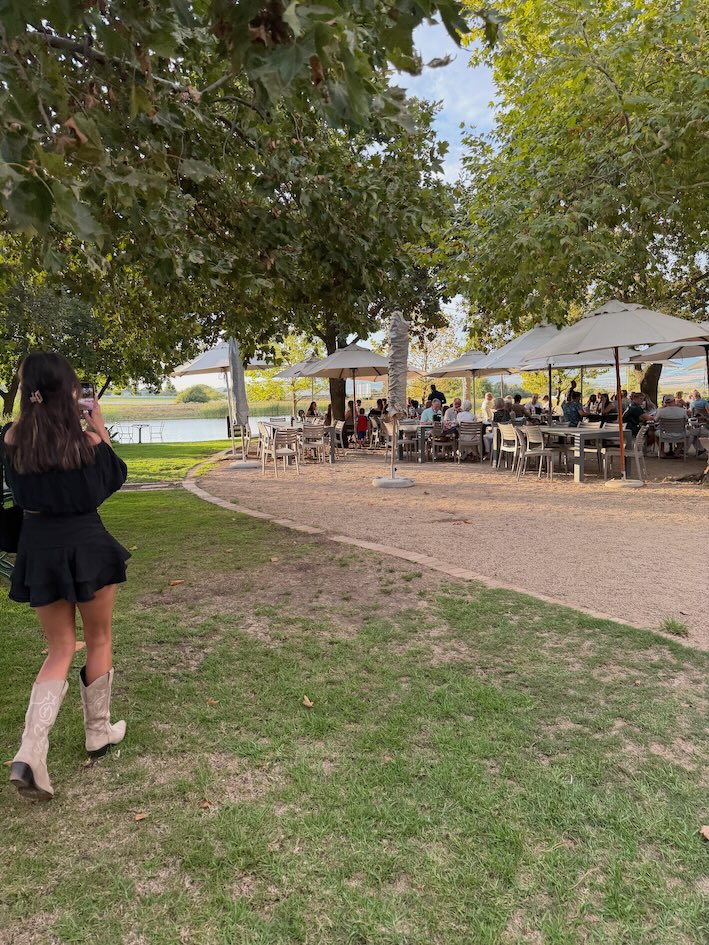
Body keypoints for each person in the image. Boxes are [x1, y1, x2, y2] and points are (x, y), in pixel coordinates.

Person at [1, 353, 129, 801]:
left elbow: (18, 490)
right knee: (98, 638)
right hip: (88, 546)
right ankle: (98, 732)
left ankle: (31, 751)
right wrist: (99, 424)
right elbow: (113, 478)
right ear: (69, 390)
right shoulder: (86, 444)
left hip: (39, 550)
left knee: (59, 648)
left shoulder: (12, 439)